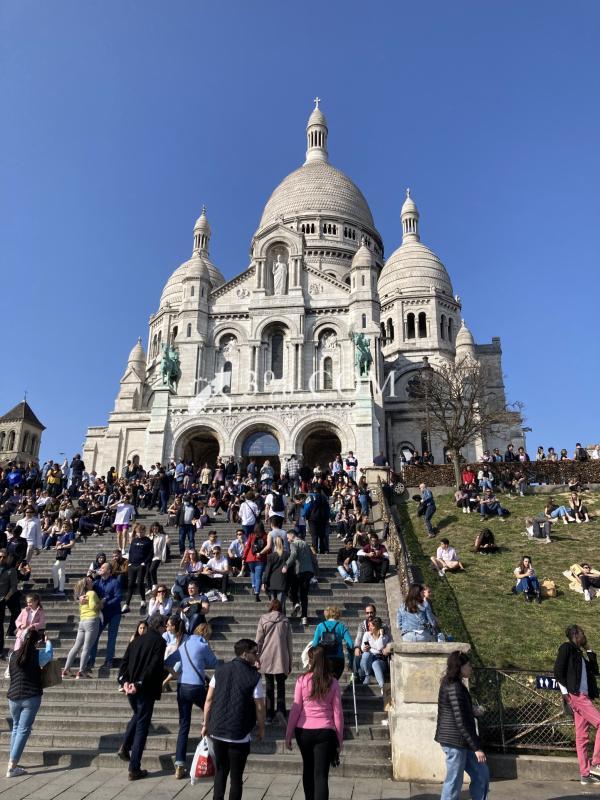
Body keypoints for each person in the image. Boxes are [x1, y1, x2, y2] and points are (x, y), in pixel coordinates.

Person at [201, 639, 265, 800]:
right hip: (239, 733)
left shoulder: (220, 670)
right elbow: (260, 706)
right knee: (236, 777)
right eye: (254, 652)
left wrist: (205, 724)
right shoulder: (254, 676)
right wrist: (261, 728)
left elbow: (209, 700)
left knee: (220, 772)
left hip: (218, 730)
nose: (257, 656)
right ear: (244, 654)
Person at [285, 645, 344, 800]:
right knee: (321, 774)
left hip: (303, 731)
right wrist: (339, 739)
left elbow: (295, 709)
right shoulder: (333, 682)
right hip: (325, 730)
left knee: (308, 768)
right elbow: (338, 713)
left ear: (310, 661)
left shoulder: (302, 680)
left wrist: (288, 734)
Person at [117, 615, 167, 780]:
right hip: (145, 689)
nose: (166, 629)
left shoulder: (136, 641)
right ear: (159, 626)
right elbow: (153, 665)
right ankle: (134, 768)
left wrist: (124, 681)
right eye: (164, 626)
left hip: (131, 688)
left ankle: (125, 746)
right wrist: (139, 683)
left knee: (138, 715)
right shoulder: (159, 642)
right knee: (142, 727)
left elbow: (124, 663)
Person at [165, 624, 218, 779]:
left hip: (182, 686)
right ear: (206, 635)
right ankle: (209, 748)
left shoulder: (184, 644)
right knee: (211, 710)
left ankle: (179, 765)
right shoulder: (203, 645)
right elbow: (215, 663)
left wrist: (175, 674)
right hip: (196, 686)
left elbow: (167, 662)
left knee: (184, 725)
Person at [435, 650, 489, 800]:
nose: (471, 668)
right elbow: (460, 721)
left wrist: (472, 710)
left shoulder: (457, 684)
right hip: (454, 741)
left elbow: (459, 711)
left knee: (482, 773)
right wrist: (476, 748)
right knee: (454, 782)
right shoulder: (453, 686)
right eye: (468, 665)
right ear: (460, 667)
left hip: (463, 740)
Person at [554, 625, 600, 783]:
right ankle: (597, 764)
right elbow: (558, 671)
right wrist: (565, 694)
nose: (584, 635)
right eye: (582, 633)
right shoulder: (567, 648)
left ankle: (585, 774)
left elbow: (595, 670)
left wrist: (589, 649)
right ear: (575, 634)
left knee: (581, 736)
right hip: (576, 696)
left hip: (583, 696)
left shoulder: (579, 654)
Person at [6, 629, 54, 777]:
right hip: (31, 696)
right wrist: (48, 643)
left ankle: (12, 762)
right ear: (37, 642)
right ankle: (12, 767)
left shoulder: (13, 655)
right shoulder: (38, 655)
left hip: (13, 697)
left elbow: (9, 674)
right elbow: (49, 656)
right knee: (23, 730)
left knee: (16, 728)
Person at [255, 598, 293, 726]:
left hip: (266, 656)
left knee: (269, 686)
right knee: (281, 686)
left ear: (270, 607)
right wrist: (290, 661)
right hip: (282, 657)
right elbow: (289, 643)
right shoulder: (285, 620)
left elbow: (258, 640)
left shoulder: (263, 619)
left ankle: (269, 715)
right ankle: (281, 712)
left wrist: (256, 657)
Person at [62, 576, 101, 679]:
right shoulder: (91, 593)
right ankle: (81, 671)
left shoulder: (81, 597)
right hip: (92, 620)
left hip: (82, 621)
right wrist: (102, 603)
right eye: (89, 581)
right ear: (86, 585)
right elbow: (93, 607)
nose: (92, 581)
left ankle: (66, 670)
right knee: (86, 647)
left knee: (76, 646)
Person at [88, 562, 122, 672]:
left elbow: (118, 597)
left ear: (109, 571)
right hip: (102, 614)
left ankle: (109, 661)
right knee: (94, 636)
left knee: (111, 638)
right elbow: (86, 589)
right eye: (100, 567)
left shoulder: (115, 582)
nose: (100, 569)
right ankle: (91, 661)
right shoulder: (97, 583)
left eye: (103, 568)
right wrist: (89, 576)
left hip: (114, 613)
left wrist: (105, 603)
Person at [312, 606, 354, 679]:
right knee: (335, 681)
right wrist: (351, 659)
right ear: (338, 614)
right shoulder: (341, 626)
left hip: (324, 659)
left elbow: (314, 644)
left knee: (325, 682)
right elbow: (350, 644)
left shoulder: (320, 626)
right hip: (338, 659)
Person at [283, 530, 314, 626]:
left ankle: (296, 603)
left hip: (299, 571)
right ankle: (304, 617)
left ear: (292, 536)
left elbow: (293, 555)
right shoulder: (306, 544)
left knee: (292, 589)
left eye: (288, 538)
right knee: (304, 595)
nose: (288, 540)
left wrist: (286, 565)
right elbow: (312, 557)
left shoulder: (293, 544)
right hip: (309, 571)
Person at [122, 523, 153, 614]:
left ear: (144, 531)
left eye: (141, 532)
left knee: (140, 583)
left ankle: (143, 600)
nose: (139, 533)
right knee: (130, 584)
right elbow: (131, 551)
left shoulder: (148, 541)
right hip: (132, 565)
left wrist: (145, 562)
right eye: (138, 532)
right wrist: (129, 562)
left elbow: (151, 553)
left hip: (141, 565)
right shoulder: (134, 540)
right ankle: (127, 604)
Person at [359, 616, 391, 693]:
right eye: (368, 625)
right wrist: (372, 649)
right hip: (367, 662)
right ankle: (367, 675)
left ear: (376, 627)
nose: (369, 627)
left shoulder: (384, 637)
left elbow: (379, 647)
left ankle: (382, 687)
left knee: (375, 663)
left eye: (371, 626)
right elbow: (363, 647)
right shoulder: (367, 634)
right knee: (366, 654)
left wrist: (381, 635)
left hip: (380, 661)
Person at [0, 549, 19, 659]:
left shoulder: (11, 570)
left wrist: (5, 598)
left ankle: (0, 651)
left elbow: (13, 587)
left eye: (4, 557)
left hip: (1, 600)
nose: (1, 559)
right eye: (0, 556)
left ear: (7, 558)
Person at [261, 536, 288, 612]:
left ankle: (274, 618)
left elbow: (267, 570)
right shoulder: (287, 555)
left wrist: (264, 582)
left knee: (273, 604)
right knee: (281, 604)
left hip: (272, 582)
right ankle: (282, 618)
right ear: (283, 543)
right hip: (282, 581)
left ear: (274, 544)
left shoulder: (271, 556)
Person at [243, 522, 268, 602]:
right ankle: (257, 594)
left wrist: (244, 557)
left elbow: (247, 547)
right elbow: (268, 548)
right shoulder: (266, 536)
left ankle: (253, 587)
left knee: (252, 572)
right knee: (258, 577)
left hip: (250, 558)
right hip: (260, 558)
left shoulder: (251, 535)